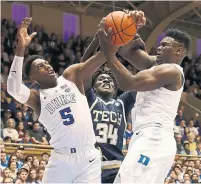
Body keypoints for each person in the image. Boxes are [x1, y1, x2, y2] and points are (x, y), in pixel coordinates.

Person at [7, 17, 110, 183]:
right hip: (61, 159)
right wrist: (21, 49)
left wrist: (103, 38)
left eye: (46, 62)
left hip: (88, 157)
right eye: (40, 66)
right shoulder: (37, 98)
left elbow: (97, 58)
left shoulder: (70, 77)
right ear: (32, 78)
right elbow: (13, 88)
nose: (47, 66)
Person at [97, 10, 191, 183]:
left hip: (154, 137)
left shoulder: (172, 71)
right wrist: (131, 27)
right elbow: (127, 52)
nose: (159, 47)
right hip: (144, 136)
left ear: (178, 51)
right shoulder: (156, 65)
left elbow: (128, 83)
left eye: (165, 45)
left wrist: (108, 53)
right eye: (160, 45)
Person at [80, 33, 136, 183]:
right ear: (93, 87)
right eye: (101, 79)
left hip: (115, 166)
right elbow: (83, 68)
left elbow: (137, 81)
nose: (106, 80)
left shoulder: (122, 103)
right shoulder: (90, 98)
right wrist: (97, 39)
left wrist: (134, 49)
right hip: (90, 165)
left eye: (110, 80)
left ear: (116, 88)